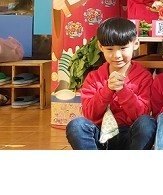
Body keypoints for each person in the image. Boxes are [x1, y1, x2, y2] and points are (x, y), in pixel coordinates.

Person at [65, 17, 156, 149]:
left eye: (123, 48)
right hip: (100, 135)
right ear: (100, 47)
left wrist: (122, 91)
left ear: (136, 44)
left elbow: (141, 115)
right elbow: (90, 115)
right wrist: (107, 90)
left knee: (147, 123)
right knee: (76, 125)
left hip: (130, 135)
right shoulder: (93, 78)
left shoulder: (144, 77)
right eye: (109, 49)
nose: (117, 55)